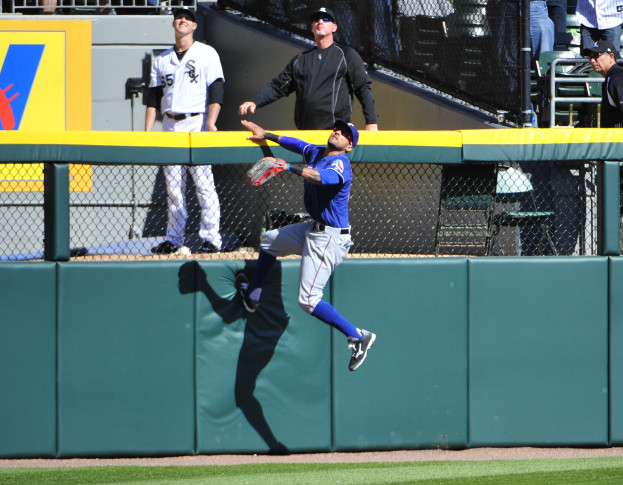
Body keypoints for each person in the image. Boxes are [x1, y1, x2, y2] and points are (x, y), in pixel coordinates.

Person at [236, 118, 376, 372]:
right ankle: (253, 296)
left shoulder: (340, 162)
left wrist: (287, 166)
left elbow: (320, 178)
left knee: (309, 300)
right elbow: (298, 143)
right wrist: (265, 133)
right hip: (314, 228)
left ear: (349, 146)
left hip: (329, 238)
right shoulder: (318, 151)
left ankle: (357, 335)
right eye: (337, 128)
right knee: (269, 240)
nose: (338, 132)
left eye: (345, 133)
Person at [146, 8, 225, 255]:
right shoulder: (162, 59)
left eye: (188, 18)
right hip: (170, 123)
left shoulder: (206, 53)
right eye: (179, 17)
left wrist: (212, 122)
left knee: (203, 183)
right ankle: (174, 238)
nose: (183, 21)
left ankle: (211, 238)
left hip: (196, 121)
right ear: (173, 24)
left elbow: (217, 87)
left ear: (194, 26)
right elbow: (152, 98)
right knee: (173, 187)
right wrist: (147, 133)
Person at [238, 7, 379, 131]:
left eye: (326, 19)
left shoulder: (346, 54)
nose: (320, 21)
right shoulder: (300, 60)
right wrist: (255, 101)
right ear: (312, 27)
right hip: (305, 134)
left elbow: (363, 88)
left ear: (334, 27)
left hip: (335, 133)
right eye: (316, 19)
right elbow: (277, 87)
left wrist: (371, 121)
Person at [588, 40, 623, 126]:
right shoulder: (611, 77)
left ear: (611, 57)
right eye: (590, 57)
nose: (592, 60)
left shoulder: (618, 77)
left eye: (596, 56)